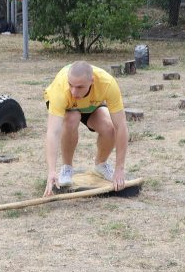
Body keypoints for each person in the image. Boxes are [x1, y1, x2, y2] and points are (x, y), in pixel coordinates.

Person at [42, 61, 129, 197]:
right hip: (68, 107)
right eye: (71, 85)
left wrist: (119, 168)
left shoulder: (107, 84)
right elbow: (53, 132)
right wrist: (52, 171)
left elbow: (121, 126)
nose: (74, 91)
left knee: (110, 127)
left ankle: (100, 165)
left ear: (92, 81)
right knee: (72, 118)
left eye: (80, 87)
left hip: (90, 104)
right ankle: (67, 168)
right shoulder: (61, 88)